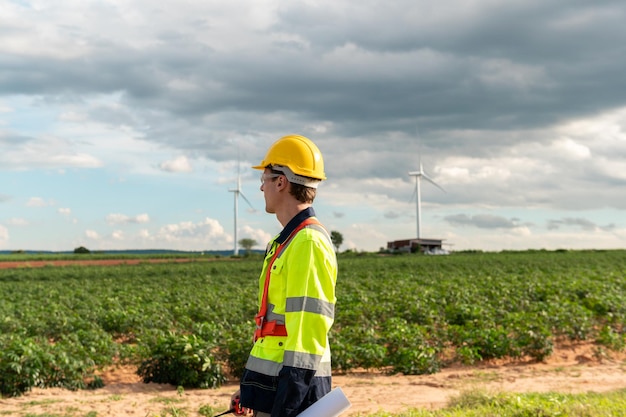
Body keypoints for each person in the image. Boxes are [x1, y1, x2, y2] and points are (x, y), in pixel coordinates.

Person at [231, 134, 338, 417]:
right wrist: (250, 388)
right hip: (274, 387)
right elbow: (276, 330)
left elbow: (306, 332)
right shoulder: (286, 241)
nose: (261, 186)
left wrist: (287, 406)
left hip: (293, 393)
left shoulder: (307, 242)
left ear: (282, 182)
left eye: (265, 178)